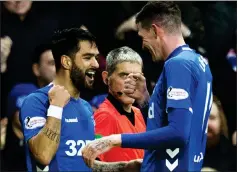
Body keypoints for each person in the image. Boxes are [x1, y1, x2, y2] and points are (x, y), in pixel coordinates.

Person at [82, 2, 213, 172]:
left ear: (155, 30)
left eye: (143, 37)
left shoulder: (178, 64)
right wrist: (144, 98)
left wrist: (114, 140)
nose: (143, 45)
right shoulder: (199, 62)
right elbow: (171, 126)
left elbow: (178, 132)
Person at [19, 28, 142, 172]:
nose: (96, 64)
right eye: (88, 57)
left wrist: (124, 167)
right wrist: (56, 108)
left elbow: (86, 164)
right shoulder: (37, 101)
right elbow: (43, 155)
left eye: (95, 58)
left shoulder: (85, 107)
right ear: (66, 62)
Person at [2, 43, 55, 172]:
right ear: (36, 69)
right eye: (52, 63)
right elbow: (24, 120)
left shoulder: (73, 99)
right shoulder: (24, 91)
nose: (58, 68)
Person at [94, 46, 146, 162]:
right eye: (124, 75)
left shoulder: (140, 113)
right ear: (106, 78)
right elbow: (94, 164)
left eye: (136, 77)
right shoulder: (104, 116)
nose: (130, 83)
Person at [202, 95, 236, 171]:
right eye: (202, 118)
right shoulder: (182, 154)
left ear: (221, 122)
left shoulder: (234, 156)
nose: (206, 124)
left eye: (211, 118)